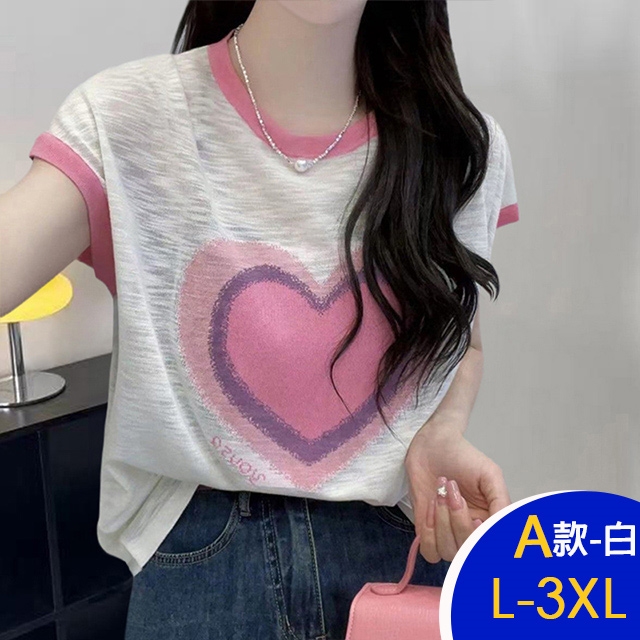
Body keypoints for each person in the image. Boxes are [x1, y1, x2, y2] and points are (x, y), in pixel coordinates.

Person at [0, 1, 520, 638]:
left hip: (399, 553)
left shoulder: (458, 145)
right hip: (199, 559)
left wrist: (441, 429)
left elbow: (461, 341)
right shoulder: (129, 118)